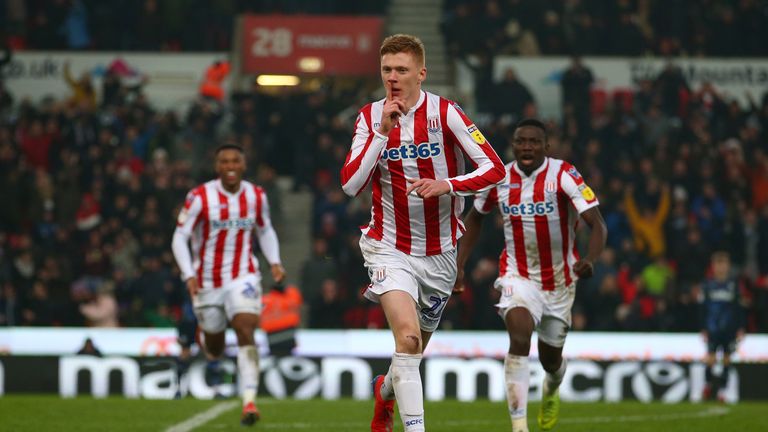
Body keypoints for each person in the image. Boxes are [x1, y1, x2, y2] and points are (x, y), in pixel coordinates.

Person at [340, 34, 506, 432]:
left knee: (411, 353)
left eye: (401, 70)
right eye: (386, 70)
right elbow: (349, 185)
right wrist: (382, 133)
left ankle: (384, 395)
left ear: (421, 73)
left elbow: (495, 169)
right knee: (409, 340)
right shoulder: (368, 118)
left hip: (441, 254)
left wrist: (448, 184)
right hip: (388, 246)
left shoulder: (446, 113)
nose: (393, 77)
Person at [455, 118, 607, 432]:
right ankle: (519, 426)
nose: (527, 147)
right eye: (521, 141)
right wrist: (459, 263)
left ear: (546, 147)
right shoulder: (499, 177)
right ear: (513, 145)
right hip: (517, 275)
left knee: (551, 360)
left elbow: (597, 224)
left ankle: (552, 387)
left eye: (534, 142)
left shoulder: (564, 174)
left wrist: (591, 259)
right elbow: (475, 217)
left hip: (560, 282)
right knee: (520, 336)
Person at [172, 143, 285, 426]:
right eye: (224, 161)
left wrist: (274, 261)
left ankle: (249, 401)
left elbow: (265, 229)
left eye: (235, 160)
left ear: (244, 165)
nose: (230, 165)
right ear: (217, 166)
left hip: (243, 275)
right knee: (215, 345)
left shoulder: (256, 195)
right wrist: (189, 274)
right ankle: (208, 338)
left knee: (246, 326)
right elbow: (179, 237)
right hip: (208, 281)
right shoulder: (199, 197)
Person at [700, 251, 745, 402]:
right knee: (710, 359)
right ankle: (707, 385)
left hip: (729, 328)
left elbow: (739, 307)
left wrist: (740, 327)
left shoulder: (733, 285)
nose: (721, 267)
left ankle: (722, 392)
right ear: (713, 266)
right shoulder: (708, 284)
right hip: (712, 328)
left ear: (728, 266)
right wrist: (703, 327)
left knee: (726, 359)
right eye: (718, 264)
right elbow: (702, 308)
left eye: (723, 264)